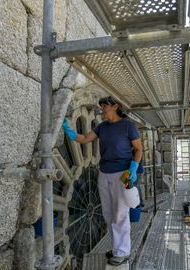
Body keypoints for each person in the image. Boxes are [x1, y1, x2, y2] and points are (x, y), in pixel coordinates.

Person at [62, 96, 142, 266]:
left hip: (124, 173)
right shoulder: (102, 127)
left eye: (105, 106)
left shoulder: (128, 126)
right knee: (108, 213)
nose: (102, 109)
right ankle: (116, 248)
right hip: (104, 173)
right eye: (102, 106)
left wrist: (133, 168)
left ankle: (122, 252)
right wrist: (67, 129)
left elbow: (138, 149)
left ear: (116, 106)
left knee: (120, 213)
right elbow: (84, 139)